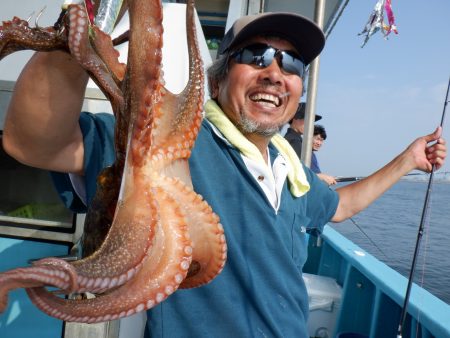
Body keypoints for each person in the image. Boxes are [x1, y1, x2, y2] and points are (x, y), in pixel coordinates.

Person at [2, 10, 447, 338]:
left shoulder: (289, 169)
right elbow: (37, 143)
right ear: (218, 79)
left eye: (292, 64)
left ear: (299, 91)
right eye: (256, 56)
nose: (275, 73)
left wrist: (407, 160)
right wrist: (71, 44)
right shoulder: (178, 145)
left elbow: (341, 205)